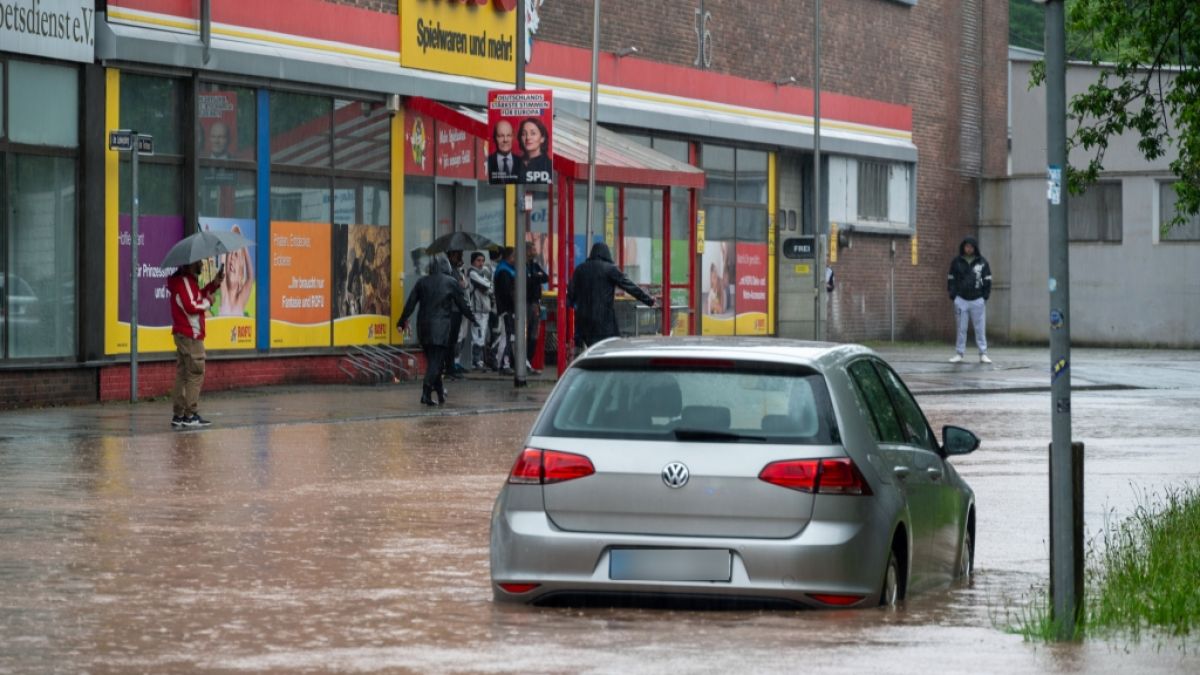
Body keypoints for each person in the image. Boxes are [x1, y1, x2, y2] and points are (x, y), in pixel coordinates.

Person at [397, 254, 477, 406]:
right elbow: (463, 304)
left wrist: (401, 322)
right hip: (440, 328)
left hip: (423, 327)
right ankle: (426, 393)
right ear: (445, 266)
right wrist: (473, 318)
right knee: (435, 362)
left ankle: (440, 394)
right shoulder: (451, 282)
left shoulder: (422, 282)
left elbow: (410, 305)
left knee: (436, 363)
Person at [567, 242, 655, 350]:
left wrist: (571, 306)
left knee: (589, 351)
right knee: (607, 350)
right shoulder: (610, 269)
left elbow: (571, 293)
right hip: (604, 322)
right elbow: (630, 286)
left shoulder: (580, 269)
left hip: (583, 322)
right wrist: (649, 300)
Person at [168, 260, 224, 428]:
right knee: (195, 373)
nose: (201, 264)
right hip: (191, 334)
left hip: (185, 334)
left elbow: (197, 296)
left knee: (183, 374)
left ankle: (179, 415)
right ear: (191, 263)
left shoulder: (185, 280)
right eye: (199, 261)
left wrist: (214, 284)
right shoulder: (184, 281)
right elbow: (192, 305)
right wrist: (209, 302)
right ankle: (190, 415)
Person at [947, 235, 993, 364]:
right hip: (960, 300)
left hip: (978, 300)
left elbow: (988, 280)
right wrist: (953, 295)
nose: (968, 249)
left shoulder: (982, 262)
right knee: (961, 328)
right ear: (963, 247)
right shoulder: (956, 262)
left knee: (980, 328)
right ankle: (959, 353)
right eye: (966, 246)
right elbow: (951, 279)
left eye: (971, 246)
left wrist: (985, 296)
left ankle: (983, 353)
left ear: (975, 248)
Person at [525, 244, 550, 374]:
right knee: (526, 334)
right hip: (526, 303)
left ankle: (528, 361)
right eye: (533, 249)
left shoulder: (534, 265)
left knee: (534, 335)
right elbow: (527, 281)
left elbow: (546, 277)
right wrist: (536, 277)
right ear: (527, 251)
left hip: (535, 303)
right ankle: (523, 362)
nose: (535, 251)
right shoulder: (523, 266)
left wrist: (535, 276)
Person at [467, 251, 494, 370]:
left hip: (485, 309)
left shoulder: (485, 272)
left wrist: (487, 286)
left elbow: (491, 288)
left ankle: (479, 361)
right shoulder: (472, 272)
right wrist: (487, 285)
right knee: (477, 335)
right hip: (476, 310)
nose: (481, 263)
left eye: (482, 260)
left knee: (482, 336)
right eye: (478, 260)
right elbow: (486, 285)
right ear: (473, 261)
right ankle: (475, 362)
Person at [492, 246, 517, 373]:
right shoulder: (504, 271)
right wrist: (513, 305)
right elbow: (507, 293)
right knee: (507, 336)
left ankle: (502, 361)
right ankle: (502, 363)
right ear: (510, 257)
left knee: (507, 335)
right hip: (507, 308)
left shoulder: (508, 269)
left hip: (507, 308)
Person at [216, 241, 253, 317]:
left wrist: (243, 244)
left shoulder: (241, 299)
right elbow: (223, 265)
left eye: (236, 255)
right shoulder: (224, 294)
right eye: (230, 254)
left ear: (240, 275)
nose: (232, 257)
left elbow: (250, 277)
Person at [487, 119, 523, 184]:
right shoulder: (487, 162)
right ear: (495, 138)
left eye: (508, 135)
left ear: (513, 137)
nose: (505, 140)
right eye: (501, 136)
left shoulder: (523, 163)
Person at [518, 117, 552, 183]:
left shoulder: (549, 165)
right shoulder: (515, 163)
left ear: (542, 138)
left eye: (533, 133)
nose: (528, 137)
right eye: (524, 134)